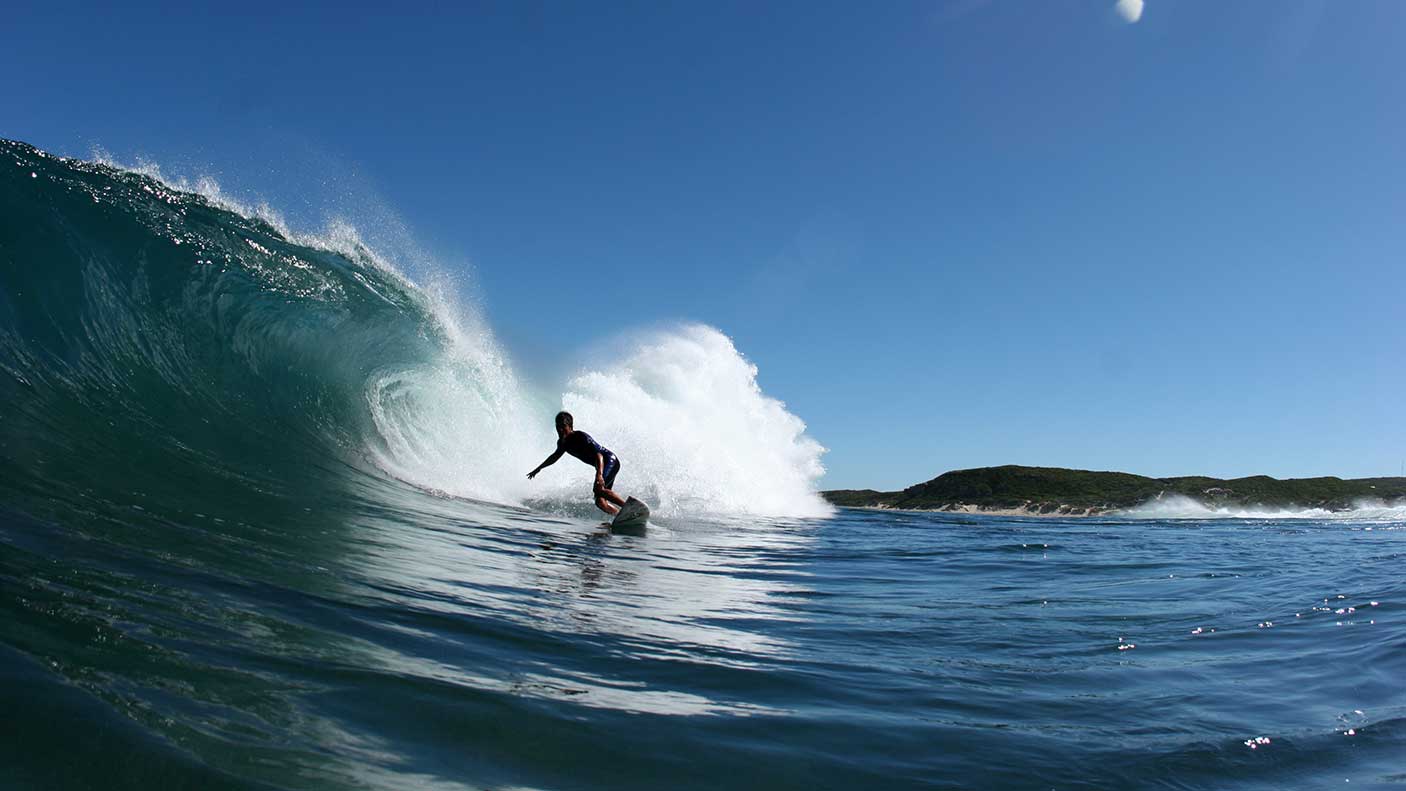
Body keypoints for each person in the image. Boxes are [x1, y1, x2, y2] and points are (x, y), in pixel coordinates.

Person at [527, 411, 627, 516]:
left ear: (570, 426)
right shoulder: (562, 443)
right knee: (600, 502)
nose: (560, 430)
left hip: (609, 461)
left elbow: (599, 455)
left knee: (599, 489)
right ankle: (621, 515)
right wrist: (539, 468)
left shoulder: (580, 436)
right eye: (558, 427)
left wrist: (599, 474)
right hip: (602, 466)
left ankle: (628, 508)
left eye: (563, 426)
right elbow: (554, 457)